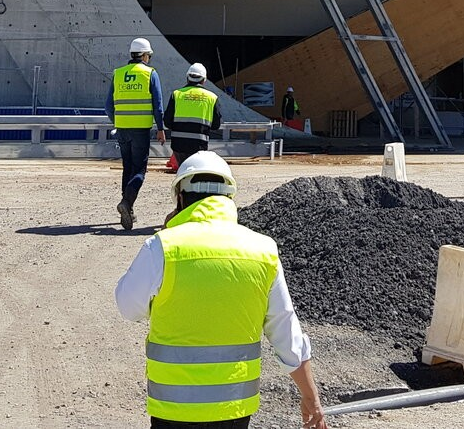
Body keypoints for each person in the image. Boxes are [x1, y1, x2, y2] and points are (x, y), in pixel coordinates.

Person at [115, 152, 328, 429]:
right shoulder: (263, 251)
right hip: (234, 409)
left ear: (180, 198)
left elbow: (127, 308)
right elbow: (287, 334)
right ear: (229, 198)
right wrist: (311, 398)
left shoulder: (164, 247)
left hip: (174, 410)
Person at [110, 36, 166, 230]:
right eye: (148, 55)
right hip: (140, 130)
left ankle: (128, 208)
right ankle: (126, 203)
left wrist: (118, 121)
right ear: (144, 55)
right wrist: (160, 128)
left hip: (122, 129)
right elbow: (158, 106)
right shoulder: (150, 74)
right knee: (140, 171)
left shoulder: (118, 73)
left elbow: (108, 105)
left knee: (128, 168)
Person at [165, 63, 221, 167]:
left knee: (182, 171)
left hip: (179, 145)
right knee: (195, 172)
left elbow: (167, 122)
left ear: (187, 78)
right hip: (199, 145)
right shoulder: (212, 98)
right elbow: (216, 125)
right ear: (204, 80)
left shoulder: (176, 94)